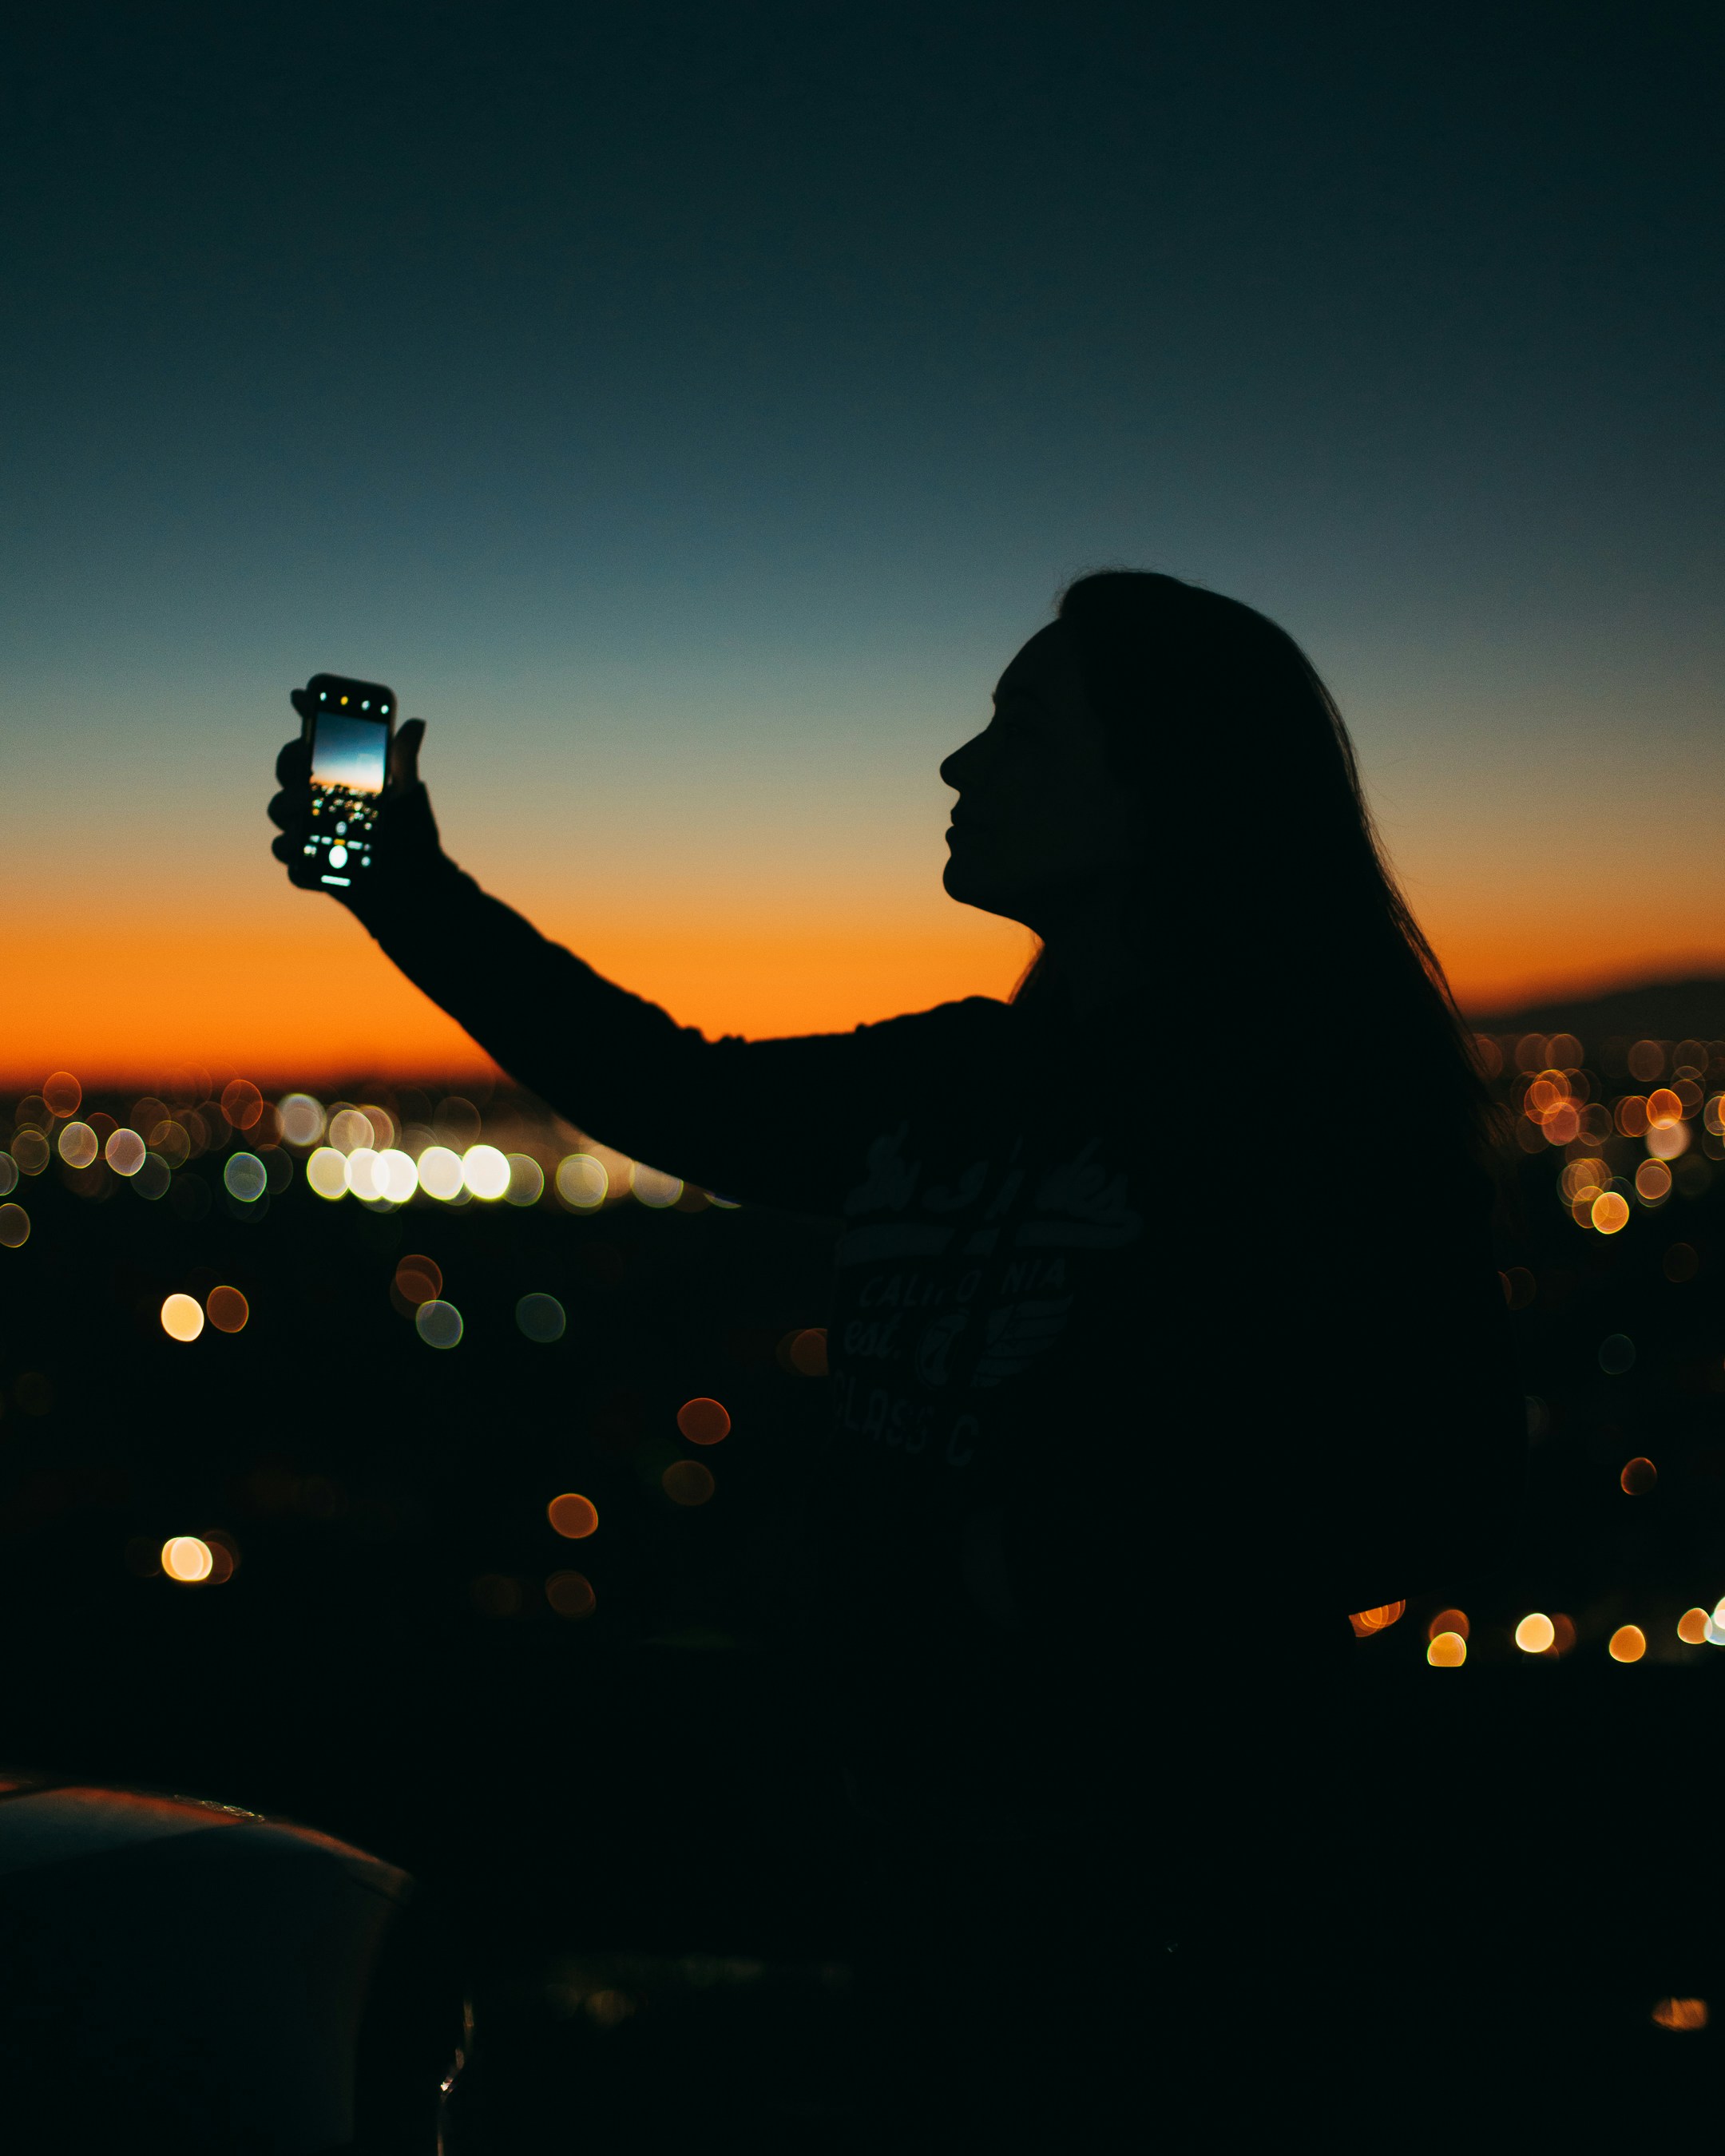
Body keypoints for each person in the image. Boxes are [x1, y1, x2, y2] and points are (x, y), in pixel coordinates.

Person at [268, 569, 1526, 2141]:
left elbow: (1445, 1482)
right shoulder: (966, 1078)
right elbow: (665, 1087)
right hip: (939, 1881)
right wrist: (403, 886)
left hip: (1187, 1922)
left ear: (1161, 781)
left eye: (1019, 726)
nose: (959, 767)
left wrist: (1059, 1572)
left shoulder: (1310, 1107)